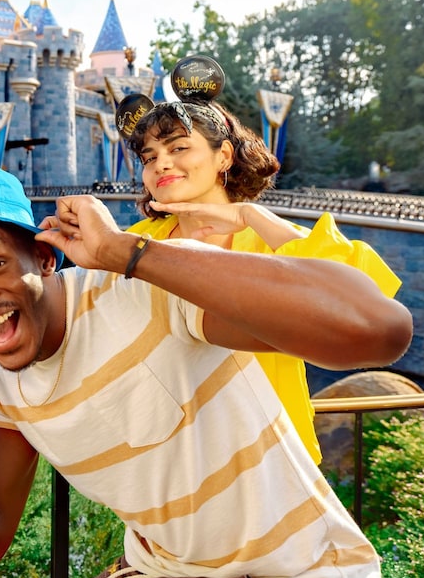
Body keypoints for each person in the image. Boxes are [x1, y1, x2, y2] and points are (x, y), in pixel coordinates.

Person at [0, 166, 413, 578]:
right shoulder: (4, 386)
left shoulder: (144, 293)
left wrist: (128, 252)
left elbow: (380, 328)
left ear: (45, 258)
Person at [120, 55, 402, 463]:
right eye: (148, 157)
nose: (160, 162)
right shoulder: (135, 244)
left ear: (224, 157)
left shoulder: (271, 238)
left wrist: (249, 216)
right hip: (169, 466)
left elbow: (370, 301)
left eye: (179, 147)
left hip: (270, 464)